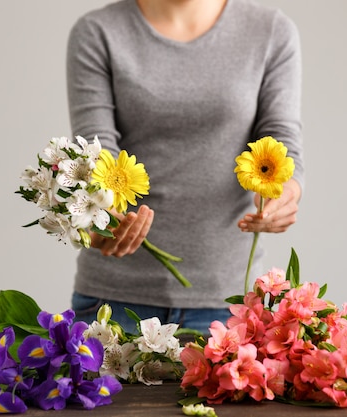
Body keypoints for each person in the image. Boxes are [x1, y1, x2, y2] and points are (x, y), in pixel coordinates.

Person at [66, 0, 304, 335]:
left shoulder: (271, 31)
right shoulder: (98, 32)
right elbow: (95, 150)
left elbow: (282, 137)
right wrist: (103, 214)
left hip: (229, 306)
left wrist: (287, 192)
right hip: (113, 302)